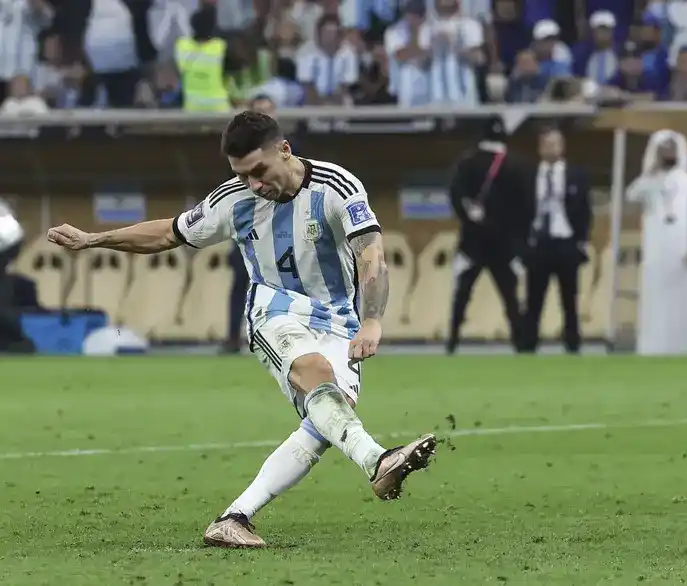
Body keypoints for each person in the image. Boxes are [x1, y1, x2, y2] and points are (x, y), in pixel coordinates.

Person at [46, 111, 436, 548]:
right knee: (315, 378)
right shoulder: (233, 201)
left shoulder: (336, 187)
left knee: (329, 419)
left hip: (339, 316)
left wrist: (372, 320)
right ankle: (378, 460)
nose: (252, 184)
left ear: (284, 151)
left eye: (258, 171)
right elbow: (169, 234)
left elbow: (371, 254)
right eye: (241, 175)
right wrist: (94, 239)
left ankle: (235, 517)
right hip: (275, 307)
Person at [625, 130, 687, 356]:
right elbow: (631, 196)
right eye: (662, 149)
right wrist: (648, 174)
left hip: (684, 249)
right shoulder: (648, 182)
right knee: (658, 297)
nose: (667, 153)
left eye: (671, 148)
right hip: (657, 248)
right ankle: (656, 345)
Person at [446, 116, 531, 354]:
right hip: (503, 245)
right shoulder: (516, 164)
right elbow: (525, 208)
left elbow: (455, 195)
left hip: (472, 243)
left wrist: (468, 218)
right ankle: (521, 344)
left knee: (462, 297)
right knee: (511, 299)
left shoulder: (468, 161)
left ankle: (452, 343)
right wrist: (519, 244)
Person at [521, 127, 591, 354]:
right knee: (533, 300)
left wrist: (581, 240)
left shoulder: (576, 175)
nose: (551, 149)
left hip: (565, 243)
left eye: (555, 144)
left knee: (569, 300)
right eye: (547, 144)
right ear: (540, 148)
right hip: (539, 243)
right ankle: (528, 345)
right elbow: (519, 210)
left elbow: (585, 210)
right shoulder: (530, 175)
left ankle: (572, 345)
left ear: (563, 147)